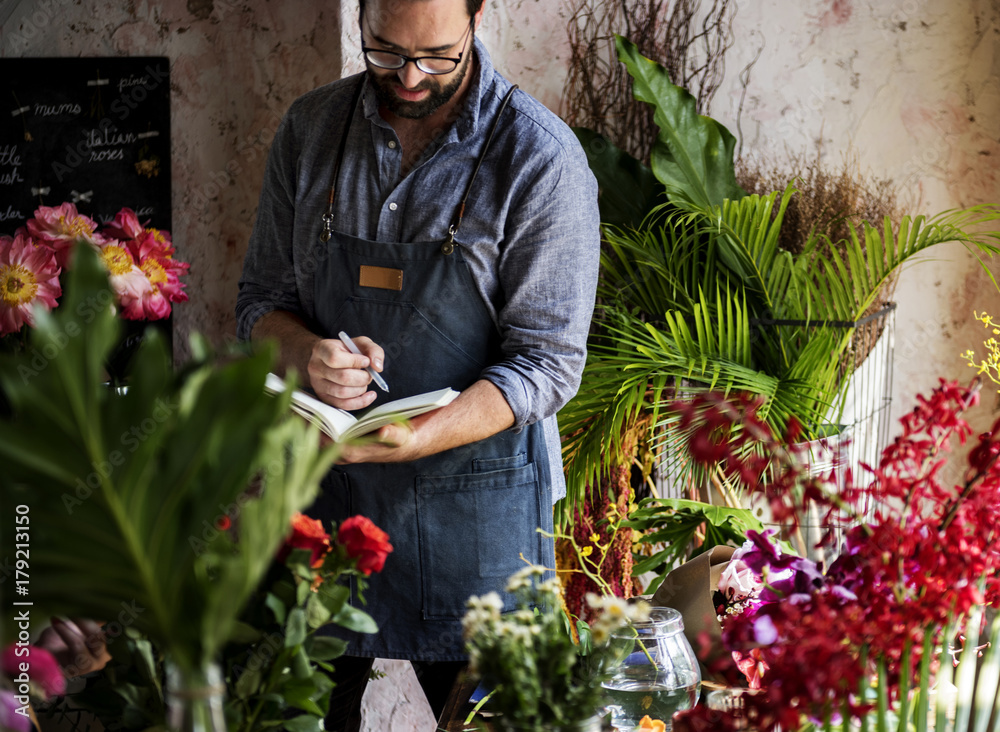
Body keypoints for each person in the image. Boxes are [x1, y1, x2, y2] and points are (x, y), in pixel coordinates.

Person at [235, 0, 600, 727]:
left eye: (438, 56)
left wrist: (420, 436)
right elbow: (259, 304)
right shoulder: (311, 132)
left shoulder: (538, 157)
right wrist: (308, 356)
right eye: (385, 51)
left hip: (477, 519)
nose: (408, 77)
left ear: (478, 17)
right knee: (278, 716)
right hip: (327, 505)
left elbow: (549, 364)